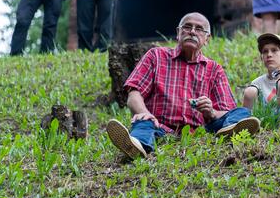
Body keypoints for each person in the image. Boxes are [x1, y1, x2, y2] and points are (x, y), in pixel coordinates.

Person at [105, 12, 260, 159]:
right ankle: (138, 146)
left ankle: (230, 132)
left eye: (199, 29)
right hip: (159, 126)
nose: (192, 31)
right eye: (187, 27)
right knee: (143, 122)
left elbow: (226, 110)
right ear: (178, 33)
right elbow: (133, 95)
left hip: (199, 130)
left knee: (241, 112)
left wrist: (211, 112)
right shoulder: (156, 56)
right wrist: (145, 113)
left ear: (207, 39)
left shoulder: (214, 69)